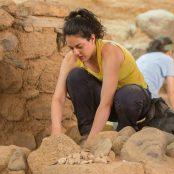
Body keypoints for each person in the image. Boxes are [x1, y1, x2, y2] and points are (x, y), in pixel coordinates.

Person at [51, 8, 151, 143]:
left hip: (135, 102)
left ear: (92, 38)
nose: (75, 52)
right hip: (111, 106)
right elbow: (58, 98)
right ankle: (87, 133)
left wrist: (91, 144)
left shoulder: (110, 52)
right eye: (71, 48)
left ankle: (124, 134)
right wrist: (55, 134)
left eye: (79, 46)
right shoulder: (72, 58)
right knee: (75, 76)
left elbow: (106, 103)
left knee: (127, 93)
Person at [137, 37, 174, 112]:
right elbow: (171, 91)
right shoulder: (168, 59)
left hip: (128, 94)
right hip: (146, 97)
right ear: (169, 51)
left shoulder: (142, 57)